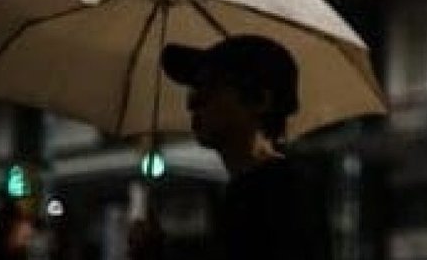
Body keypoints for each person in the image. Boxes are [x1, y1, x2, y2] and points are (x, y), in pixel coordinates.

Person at [128, 34, 330, 260]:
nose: (192, 102)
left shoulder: (279, 193)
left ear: (260, 100)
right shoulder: (251, 188)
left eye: (211, 86)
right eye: (194, 88)